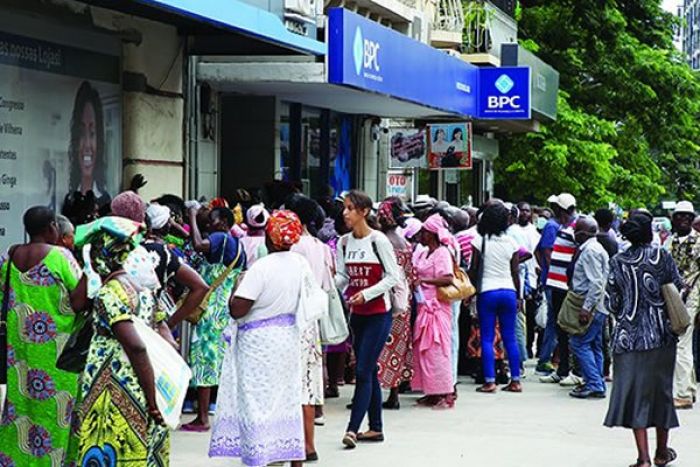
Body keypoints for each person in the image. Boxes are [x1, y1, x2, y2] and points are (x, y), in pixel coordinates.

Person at [209, 210, 307, 467]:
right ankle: (292, 457)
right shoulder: (299, 263)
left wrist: (234, 289)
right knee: (286, 398)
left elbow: (238, 308)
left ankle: (260, 457)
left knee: (257, 401)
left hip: (259, 345)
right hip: (287, 338)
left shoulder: (261, 268)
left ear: (271, 239)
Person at [69, 217, 169, 465]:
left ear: (102, 256)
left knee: (112, 445)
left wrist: (152, 400)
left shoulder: (109, 293)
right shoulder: (142, 288)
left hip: (117, 383)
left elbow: (135, 346)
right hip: (145, 378)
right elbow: (163, 331)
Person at [0, 207, 88, 465]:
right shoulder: (60, 256)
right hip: (58, 353)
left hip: (20, 353)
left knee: (21, 411)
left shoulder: (9, 255)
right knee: (58, 412)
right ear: (52, 227)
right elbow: (79, 302)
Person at [604, 214, 682, 467]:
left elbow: (611, 302)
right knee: (661, 394)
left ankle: (643, 458)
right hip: (662, 336)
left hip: (628, 338)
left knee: (635, 396)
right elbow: (676, 288)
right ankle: (662, 452)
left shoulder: (618, 261)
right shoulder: (662, 256)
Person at [336, 190, 400, 449]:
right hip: (357, 315)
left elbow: (393, 276)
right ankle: (376, 428)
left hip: (378, 314)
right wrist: (327, 289)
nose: (345, 213)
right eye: (345, 208)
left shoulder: (379, 240)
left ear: (364, 212)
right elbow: (343, 277)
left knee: (362, 371)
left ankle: (352, 429)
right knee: (369, 370)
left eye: (350, 208)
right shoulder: (343, 243)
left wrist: (367, 293)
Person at [183, 205, 247, 431]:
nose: (207, 225)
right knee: (222, 361)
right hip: (226, 310)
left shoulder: (220, 237)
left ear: (222, 223)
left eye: (211, 220)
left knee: (204, 360)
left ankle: (202, 418)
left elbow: (198, 245)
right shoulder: (239, 245)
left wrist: (191, 215)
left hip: (210, 310)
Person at [287, 195, 333, 462]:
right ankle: (309, 444)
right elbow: (327, 286)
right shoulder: (320, 246)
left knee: (292, 384)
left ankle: (292, 444)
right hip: (312, 321)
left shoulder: (294, 248)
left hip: (293, 319)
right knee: (309, 384)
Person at [470, 202, 522, 393]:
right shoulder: (512, 243)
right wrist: (520, 297)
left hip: (487, 291)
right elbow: (515, 272)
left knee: (487, 337)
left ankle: (490, 381)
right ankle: (515, 380)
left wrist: (471, 292)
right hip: (509, 291)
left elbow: (474, 270)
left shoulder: (479, 241)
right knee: (510, 337)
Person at [411, 213, 457, 407]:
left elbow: (447, 278)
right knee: (424, 350)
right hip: (423, 305)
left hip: (437, 307)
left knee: (438, 350)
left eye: (423, 231)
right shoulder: (422, 252)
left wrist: (425, 280)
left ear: (431, 234)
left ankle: (443, 390)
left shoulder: (442, 253)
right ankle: (430, 390)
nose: (420, 235)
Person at [375, 197, 414, 410]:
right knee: (398, 346)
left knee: (375, 345)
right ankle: (394, 393)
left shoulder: (381, 242)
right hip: (403, 300)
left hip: (383, 299)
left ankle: (370, 391)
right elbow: (412, 275)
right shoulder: (405, 242)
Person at [536, 193, 579, 385]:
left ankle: (570, 369)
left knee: (565, 327)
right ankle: (562, 369)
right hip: (556, 283)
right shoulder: (561, 226)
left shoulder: (576, 227)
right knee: (560, 327)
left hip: (564, 285)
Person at [568, 217, 609, 399]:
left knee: (579, 343)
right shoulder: (595, 248)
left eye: (576, 230)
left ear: (583, 234)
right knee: (594, 345)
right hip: (598, 305)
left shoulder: (590, 251)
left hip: (591, 305)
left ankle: (594, 383)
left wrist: (586, 308)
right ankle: (596, 381)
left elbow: (596, 283)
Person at [666, 201, 700, 410]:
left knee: (681, 344)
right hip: (674, 297)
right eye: (680, 216)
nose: (684, 220)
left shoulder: (698, 243)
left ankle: (683, 394)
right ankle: (688, 388)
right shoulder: (671, 242)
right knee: (682, 344)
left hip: (691, 297)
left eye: (688, 216)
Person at [68, 81, 110, 208]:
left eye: (92, 133)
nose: (87, 145)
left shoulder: (105, 200)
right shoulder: (69, 198)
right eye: (81, 133)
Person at [514, 202, 542, 358]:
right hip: (519, 276)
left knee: (530, 316)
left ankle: (529, 345)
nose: (524, 213)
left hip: (531, 277)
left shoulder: (534, 232)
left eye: (527, 210)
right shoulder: (512, 230)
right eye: (522, 210)